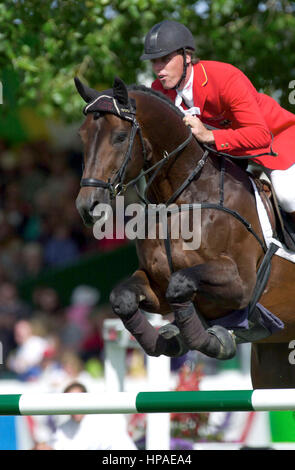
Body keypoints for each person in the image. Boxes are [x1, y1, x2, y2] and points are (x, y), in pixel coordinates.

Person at [140, 20, 295, 230]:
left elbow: (261, 136)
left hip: (276, 141)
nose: (159, 69)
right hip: (232, 156)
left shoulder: (224, 78)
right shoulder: (159, 90)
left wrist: (210, 136)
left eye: (165, 60)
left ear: (186, 57)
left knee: (287, 196)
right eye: (154, 62)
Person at [35, 382, 137, 450]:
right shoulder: (64, 428)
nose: (74, 405)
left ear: (87, 400)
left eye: (78, 400)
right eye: (70, 401)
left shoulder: (106, 419)